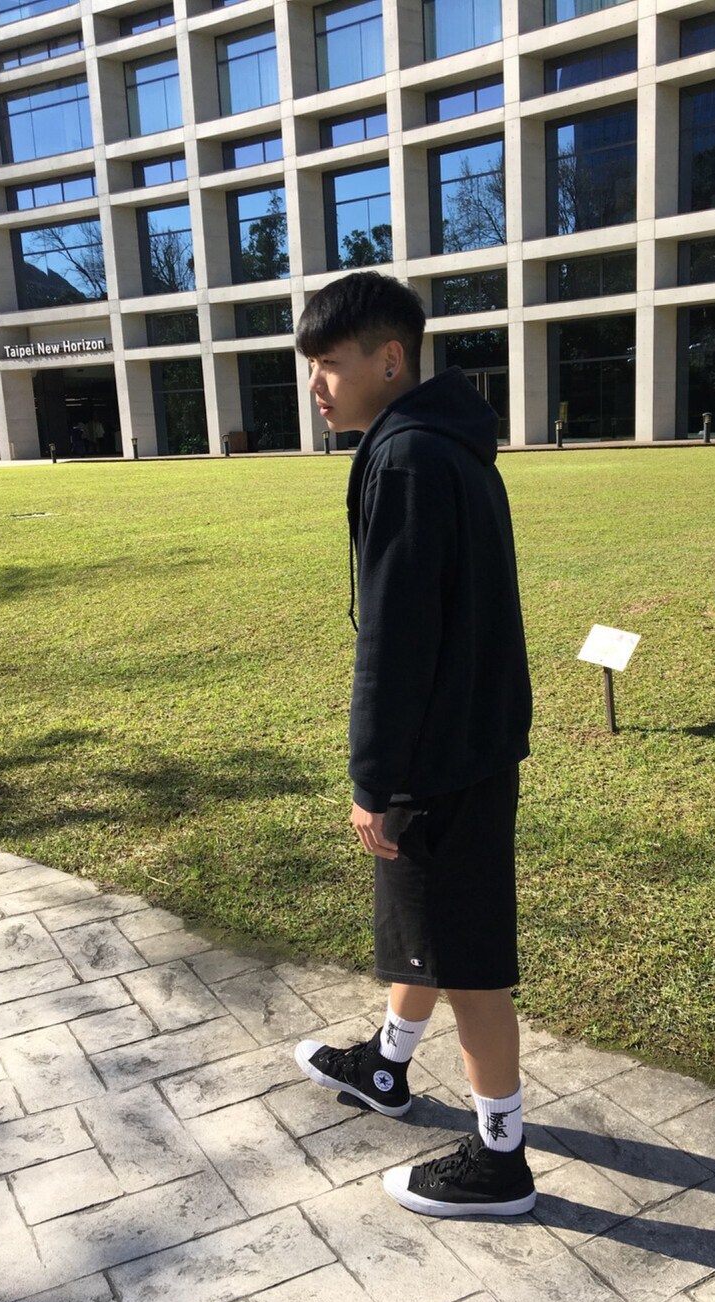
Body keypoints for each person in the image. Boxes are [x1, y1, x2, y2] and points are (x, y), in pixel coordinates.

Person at [293, 272, 535, 1218]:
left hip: (439, 759)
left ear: (390, 359)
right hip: (473, 738)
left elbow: (394, 640)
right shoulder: (446, 441)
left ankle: (499, 1159)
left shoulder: (404, 458)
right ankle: (387, 1069)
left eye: (329, 364)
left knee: (468, 961)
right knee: (423, 933)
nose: (317, 385)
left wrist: (376, 781)